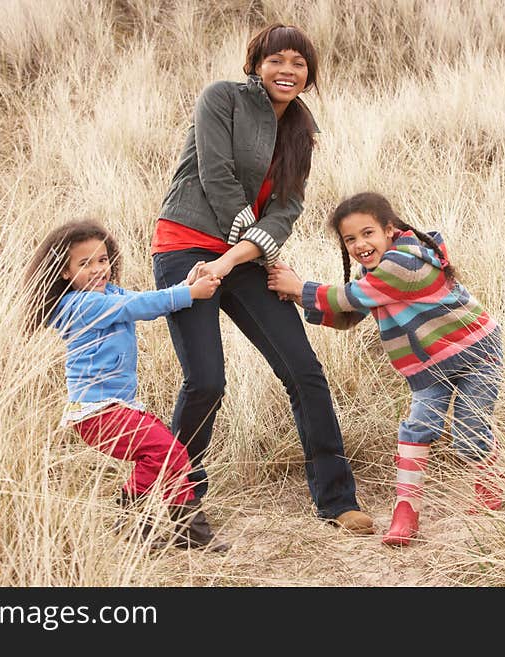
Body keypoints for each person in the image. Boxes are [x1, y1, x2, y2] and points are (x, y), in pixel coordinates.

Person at [150, 23, 373, 534]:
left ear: (309, 74)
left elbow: (287, 208)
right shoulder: (221, 98)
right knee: (206, 381)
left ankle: (337, 501)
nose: (287, 71)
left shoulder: (302, 131)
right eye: (277, 60)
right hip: (186, 245)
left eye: (299, 63)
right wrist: (250, 242)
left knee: (304, 372)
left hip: (244, 258)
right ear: (256, 63)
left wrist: (245, 254)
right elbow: (216, 175)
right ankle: (167, 498)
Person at [267, 192, 504, 547]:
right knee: (416, 429)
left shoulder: (405, 263)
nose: (359, 244)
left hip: (473, 353)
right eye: (350, 239)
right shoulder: (373, 275)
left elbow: (354, 296)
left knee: (469, 434)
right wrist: (300, 296)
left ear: (390, 230)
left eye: (367, 233)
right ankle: (405, 514)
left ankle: (490, 492)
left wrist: (301, 287)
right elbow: (349, 314)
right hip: (428, 365)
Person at [24, 218, 228, 551]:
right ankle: (159, 524)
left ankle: (163, 527)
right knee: (167, 451)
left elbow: (145, 297)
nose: (97, 269)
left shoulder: (107, 294)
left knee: (165, 454)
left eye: (102, 260)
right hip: (97, 412)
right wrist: (189, 294)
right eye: (85, 263)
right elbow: (139, 307)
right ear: (65, 272)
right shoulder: (82, 305)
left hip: (117, 408)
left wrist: (185, 284)